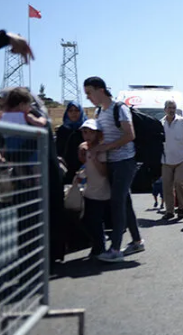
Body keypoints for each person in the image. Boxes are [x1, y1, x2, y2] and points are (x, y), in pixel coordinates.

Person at [84, 76, 144, 263]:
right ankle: (136, 241)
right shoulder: (99, 112)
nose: (88, 97)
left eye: (89, 93)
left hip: (125, 161)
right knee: (124, 201)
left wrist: (105, 147)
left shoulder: (120, 107)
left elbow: (130, 135)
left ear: (100, 90)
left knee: (117, 202)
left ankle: (116, 248)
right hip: (111, 162)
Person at [76, 119, 110, 259]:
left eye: (91, 132)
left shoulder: (100, 150)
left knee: (95, 221)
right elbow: (87, 168)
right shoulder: (88, 149)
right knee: (89, 220)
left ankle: (100, 247)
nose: (87, 135)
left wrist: (95, 157)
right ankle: (97, 246)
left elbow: (103, 172)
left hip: (100, 192)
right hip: (90, 191)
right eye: (85, 132)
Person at [161, 100, 183, 221]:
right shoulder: (161, 123)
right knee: (166, 186)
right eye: (169, 107)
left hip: (181, 158)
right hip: (165, 160)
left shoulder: (182, 122)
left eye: (173, 108)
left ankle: (181, 207)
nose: (171, 110)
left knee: (179, 183)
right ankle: (169, 211)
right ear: (165, 109)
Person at [56, 102, 87, 184]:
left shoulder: (86, 130)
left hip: (83, 170)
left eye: (76, 110)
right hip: (64, 169)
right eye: (70, 111)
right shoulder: (62, 130)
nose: (73, 113)